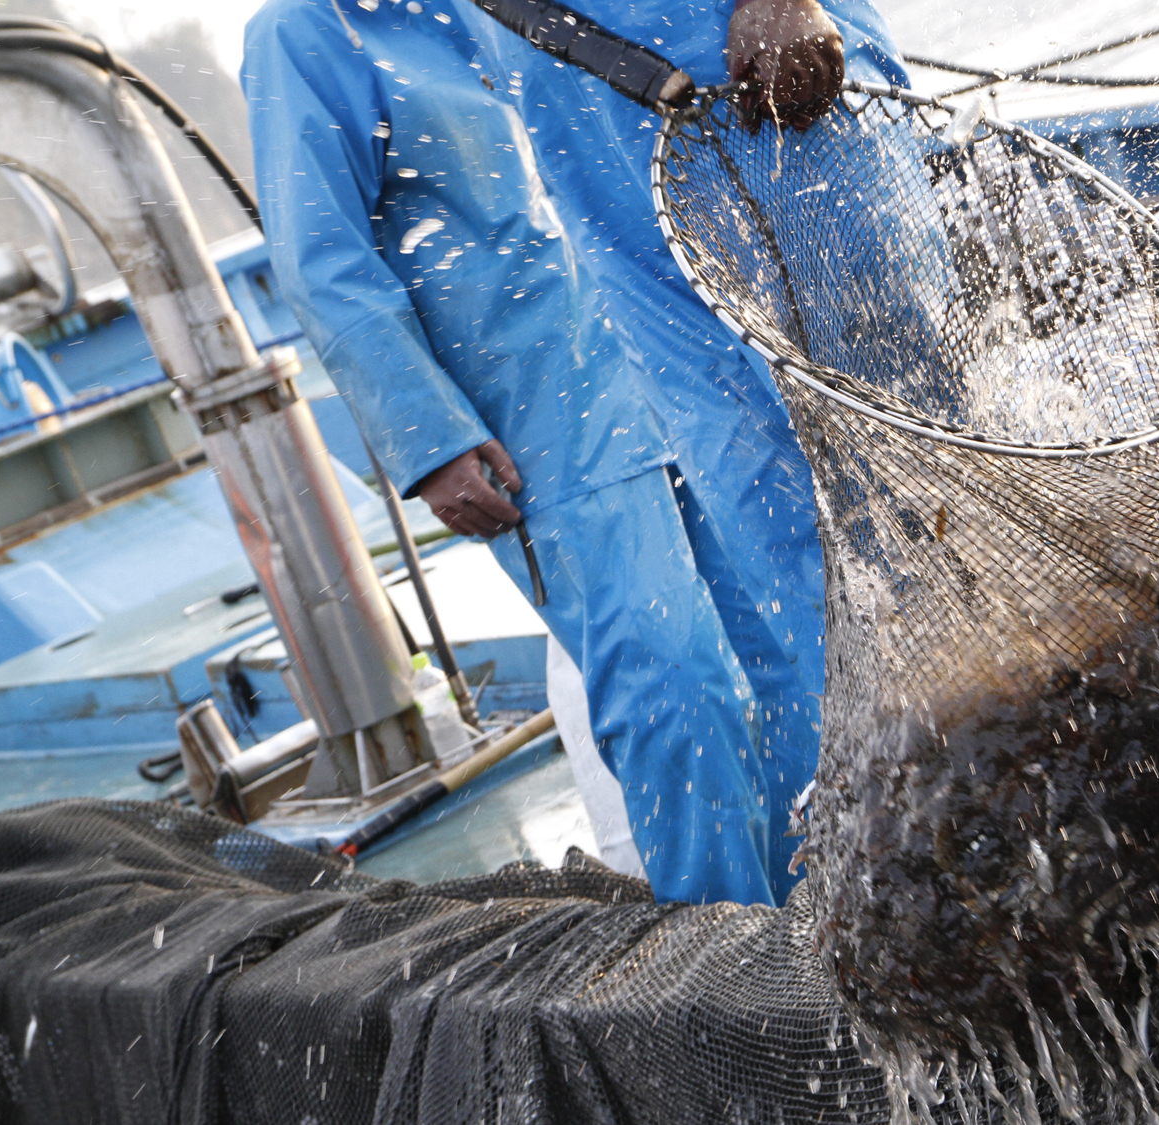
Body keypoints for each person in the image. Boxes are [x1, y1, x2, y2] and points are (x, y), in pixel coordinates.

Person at [242, 0, 905, 905]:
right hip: (540, 427)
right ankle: (732, 963)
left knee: (800, 655)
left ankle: (846, 915)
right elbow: (321, 257)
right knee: (674, 686)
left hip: (678, 370)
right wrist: (428, 438)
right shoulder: (307, 32)